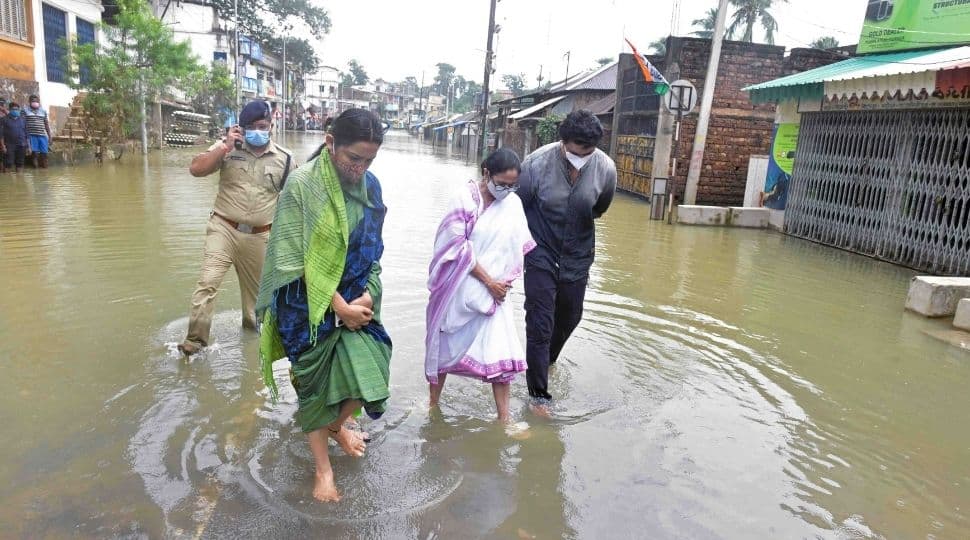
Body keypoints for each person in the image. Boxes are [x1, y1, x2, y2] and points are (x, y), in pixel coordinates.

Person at [256, 109, 391, 503]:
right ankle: (323, 469)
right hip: (305, 310)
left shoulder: (372, 188)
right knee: (313, 390)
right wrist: (338, 308)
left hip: (354, 299)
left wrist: (368, 294)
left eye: (369, 160)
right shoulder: (302, 186)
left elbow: (373, 251)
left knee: (374, 375)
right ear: (331, 144)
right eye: (354, 159)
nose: (361, 168)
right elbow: (291, 260)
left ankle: (337, 426)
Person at [517, 110, 617, 413]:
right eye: (574, 151)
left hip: (578, 253)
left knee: (571, 315)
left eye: (587, 153)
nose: (580, 158)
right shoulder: (535, 165)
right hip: (540, 251)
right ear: (563, 143)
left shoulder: (605, 169)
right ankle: (538, 395)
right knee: (540, 321)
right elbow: (517, 208)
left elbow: (600, 207)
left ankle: (546, 360)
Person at [425, 148, 535, 422]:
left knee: (502, 352)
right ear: (486, 173)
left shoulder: (512, 204)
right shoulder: (464, 199)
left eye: (513, 185)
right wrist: (488, 281)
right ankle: (432, 405)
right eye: (502, 184)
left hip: (496, 294)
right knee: (444, 347)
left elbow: (516, 247)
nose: (507, 190)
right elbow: (453, 246)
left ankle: (504, 420)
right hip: (459, 288)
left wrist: (501, 283)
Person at [177, 100, 293, 356]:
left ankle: (252, 345)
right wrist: (225, 147)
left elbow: (294, 200)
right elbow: (196, 169)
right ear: (240, 128)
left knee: (255, 303)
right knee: (208, 282)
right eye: (251, 127)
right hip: (223, 229)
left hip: (261, 236)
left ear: (271, 125)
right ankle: (195, 342)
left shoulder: (285, 159)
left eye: (262, 126)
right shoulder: (226, 149)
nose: (257, 131)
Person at [24, 95, 52, 169]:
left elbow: (46, 124)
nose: (35, 102)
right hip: (31, 135)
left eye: (36, 101)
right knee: (35, 154)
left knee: (45, 154)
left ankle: (45, 170)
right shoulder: (25, 111)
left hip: (42, 135)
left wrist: (50, 136)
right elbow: (23, 124)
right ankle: (36, 172)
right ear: (29, 102)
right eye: (33, 101)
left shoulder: (43, 111)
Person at [0, 102, 28, 174]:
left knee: (20, 164)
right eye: (13, 109)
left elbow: (26, 134)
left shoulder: (23, 120)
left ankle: (19, 181)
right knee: (8, 164)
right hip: (9, 145)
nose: (15, 110)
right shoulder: (3, 119)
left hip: (21, 145)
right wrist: (3, 146)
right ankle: (7, 181)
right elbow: (1, 134)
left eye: (17, 109)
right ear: (9, 109)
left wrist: (29, 146)